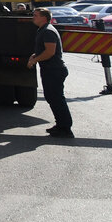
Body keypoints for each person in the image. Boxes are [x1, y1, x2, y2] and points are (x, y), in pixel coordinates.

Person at [28, 7, 73, 137]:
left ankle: (65, 128)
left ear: (44, 18)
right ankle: (60, 125)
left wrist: (34, 60)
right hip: (50, 69)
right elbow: (44, 49)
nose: (33, 17)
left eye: (36, 15)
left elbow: (50, 52)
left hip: (54, 70)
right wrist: (35, 55)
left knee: (56, 98)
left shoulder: (48, 31)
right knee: (52, 97)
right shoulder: (43, 30)